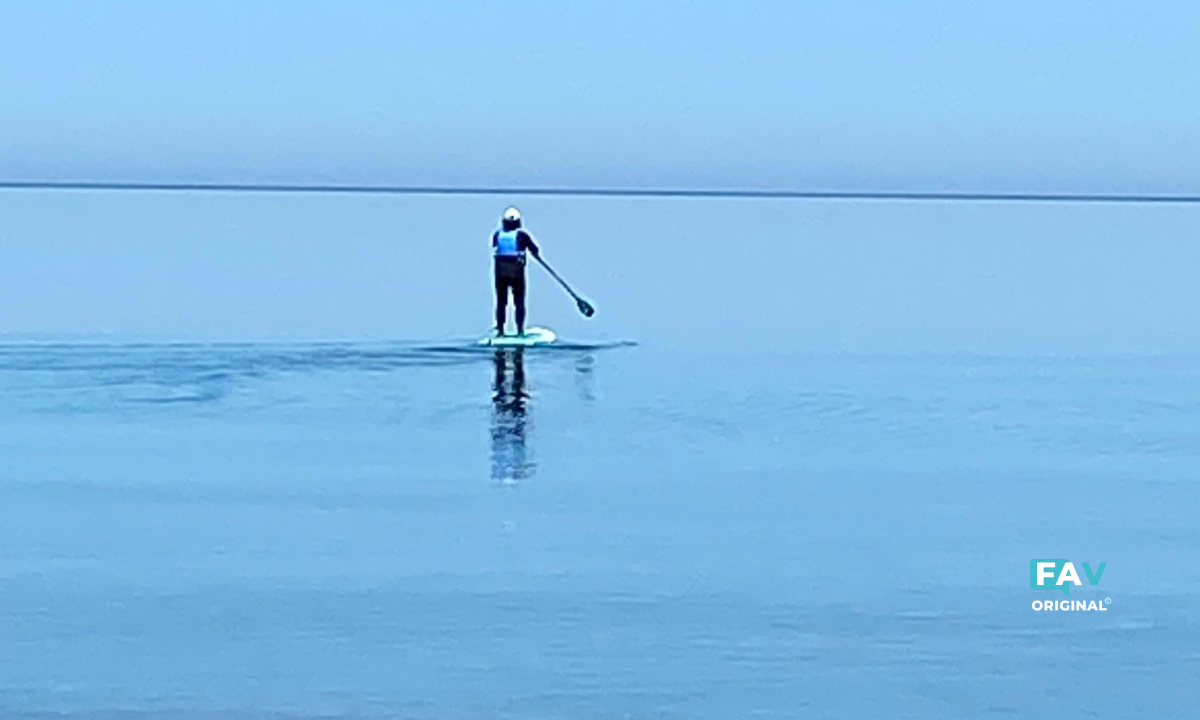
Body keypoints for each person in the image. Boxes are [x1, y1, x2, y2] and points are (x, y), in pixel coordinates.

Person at [492, 206, 540, 336]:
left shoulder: (497, 235)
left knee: (501, 302)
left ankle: (500, 330)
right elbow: (534, 249)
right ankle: (520, 330)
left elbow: (495, 246)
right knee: (519, 301)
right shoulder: (521, 235)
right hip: (516, 273)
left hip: (500, 273)